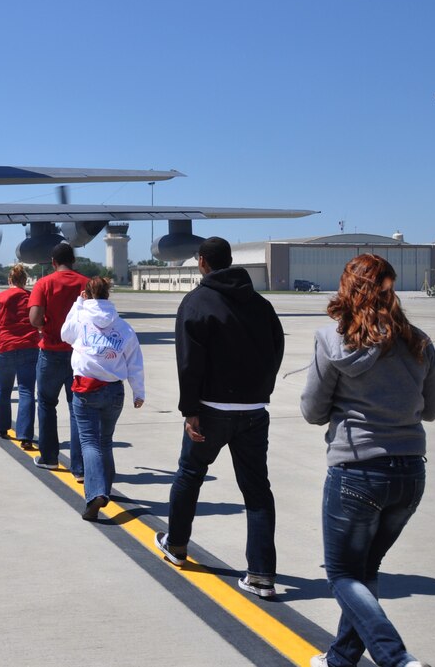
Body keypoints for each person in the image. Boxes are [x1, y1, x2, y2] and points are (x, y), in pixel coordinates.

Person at [300, 254, 435, 667]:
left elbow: (312, 410)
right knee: (365, 570)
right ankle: (341, 658)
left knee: (343, 575)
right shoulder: (418, 341)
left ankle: (395, 658)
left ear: (348, 289)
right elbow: (431, 410)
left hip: (357, 470)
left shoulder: (332, 340)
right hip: (410, 471)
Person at [155, 236, 284, 600]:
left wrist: (190, 411)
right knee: (257, 493)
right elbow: (277, 347)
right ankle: (261, 575)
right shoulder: (260, 303)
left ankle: (177, 545)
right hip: (254, 411)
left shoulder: (196, 302)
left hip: (210, 411)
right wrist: (260, 390)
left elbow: (189, 362)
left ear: (201, 262)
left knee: (190, 474)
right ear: (230, 261)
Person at [60, 277, 145, 521]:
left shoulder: (81, 318)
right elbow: (134, 362)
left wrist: (77, 304)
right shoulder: (124, 327)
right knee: (105, 441)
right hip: (114, 391)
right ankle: (105, 489)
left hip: (86, 390)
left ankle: (96, 493)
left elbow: (65, 334)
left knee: (89, 442)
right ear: (109, 294)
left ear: (87, 294)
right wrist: (139, 392)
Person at [29, 243, 89, 475]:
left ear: (53, 262)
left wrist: (46, 326)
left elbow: (34, 318)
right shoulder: (86, 283)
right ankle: (80, 467)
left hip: (51, 351)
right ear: (73, 260)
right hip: (79, 354)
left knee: (46, 404)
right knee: (77, 409)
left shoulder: (44, 283)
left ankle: (49, 457)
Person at [0, 264, 39, 446]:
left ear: (9, 280)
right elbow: (39, 321)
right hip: (28, 347)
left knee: (3, 388)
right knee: (26, 390)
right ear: (24, 281)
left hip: (4, 347)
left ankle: (1, 426)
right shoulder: (31, 297)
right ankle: (25, 435)